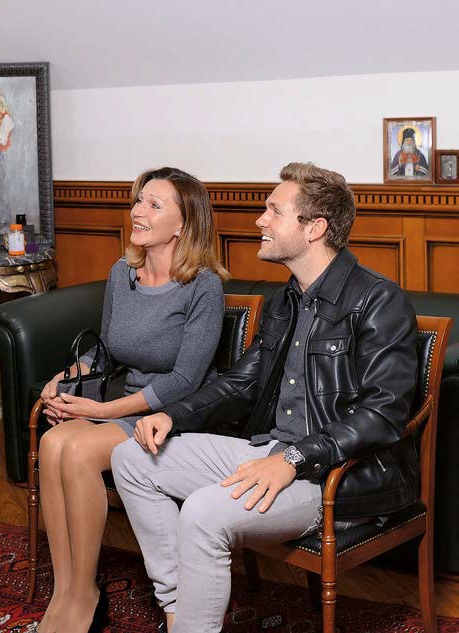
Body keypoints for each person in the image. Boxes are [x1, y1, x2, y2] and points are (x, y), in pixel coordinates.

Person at [112, 162, 420, 633]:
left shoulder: (379, 300)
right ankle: (179, 611)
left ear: (314, 228)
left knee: (202, 512)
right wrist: (171, 415)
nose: (260, 220)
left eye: (274, 211)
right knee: (132, 456)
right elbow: (242, 383)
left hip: (335, 477)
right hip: (271, 452)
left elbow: (382, 416)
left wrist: (294, 458)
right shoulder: (286, 300)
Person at [37, 167, 229, 633]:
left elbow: (186, 380)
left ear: (183, 223)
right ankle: (67, 594)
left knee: (77, 450)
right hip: (124, 407)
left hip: (174, 417)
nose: (138, 211)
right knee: (52, 443)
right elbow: (106, 350)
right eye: (139, 200)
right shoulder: (122, 273)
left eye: (154, 205)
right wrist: (66, 377)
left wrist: (101, 411)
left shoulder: (204, 285)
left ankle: (83, 597)